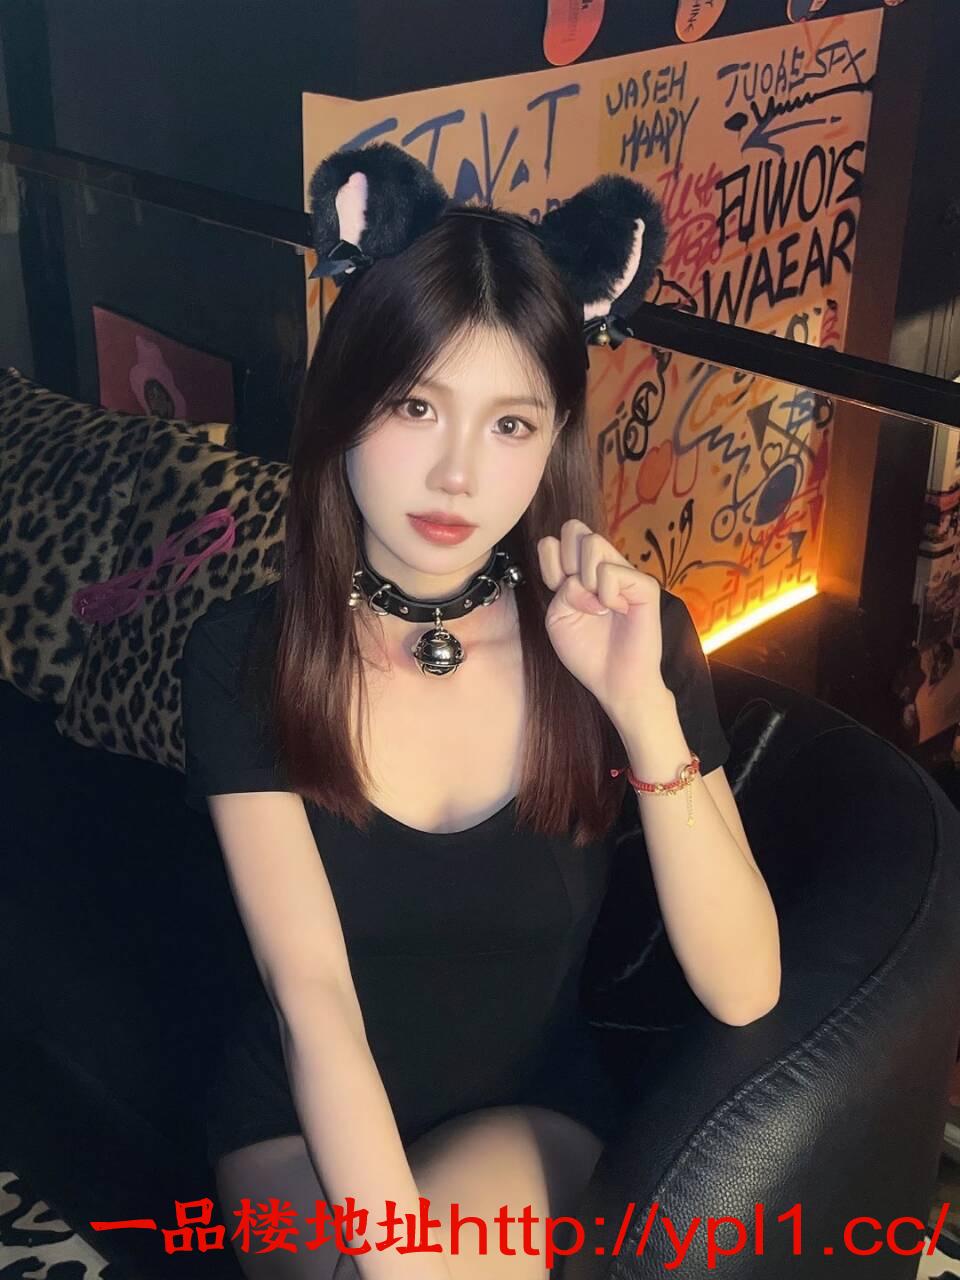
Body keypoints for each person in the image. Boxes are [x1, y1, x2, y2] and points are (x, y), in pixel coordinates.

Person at [180, 141, 780, 1280]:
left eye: (511, 424)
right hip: (298, 1126)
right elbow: (314, 1000)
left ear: (554, 439)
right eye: (417, 405)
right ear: (347, 402)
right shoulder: (245, 655)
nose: (457, 475)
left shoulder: (628, 638)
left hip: (527, 1110)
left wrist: (639, 708)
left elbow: (745, 984)